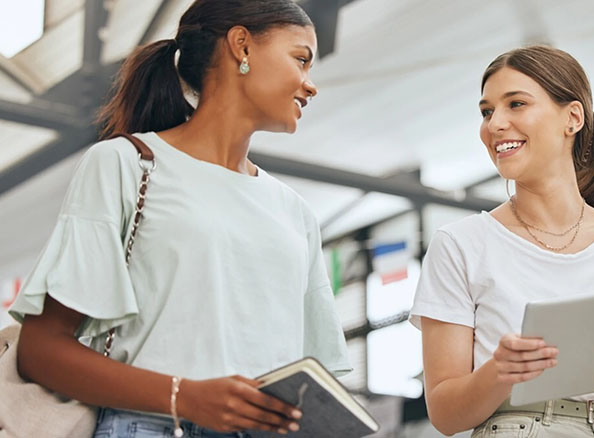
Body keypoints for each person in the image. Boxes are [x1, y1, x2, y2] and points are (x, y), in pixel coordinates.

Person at [9, 1, 351, 437]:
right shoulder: (125, 165)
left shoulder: (295, 212)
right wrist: (184, 396)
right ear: (241, 46)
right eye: (301, 59)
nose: (311, 85)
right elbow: (41, 351)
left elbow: (316, 378)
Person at [409, 45, 594, 437]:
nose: (494, 124)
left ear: (572, 118)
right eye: (487, 111)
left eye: (516, 104)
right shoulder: (459, 245)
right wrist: (500, 373)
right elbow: (444, 413)